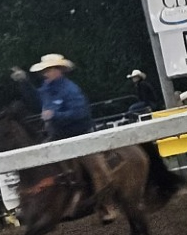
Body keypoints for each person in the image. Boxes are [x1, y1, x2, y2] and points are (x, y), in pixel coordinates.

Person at [11, 53, 118, 223]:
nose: (45, 74)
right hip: (57, 136)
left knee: (95, 166)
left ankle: (107, 204)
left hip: (79, 136)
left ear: (58, 70)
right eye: (44, 70)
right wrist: (24, 83)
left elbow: (80, 113)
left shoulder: (71, 90)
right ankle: (36, 203)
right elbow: (36, 100)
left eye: (48, 70)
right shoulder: (47, 88)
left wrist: (55, 115)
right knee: (38, 163)